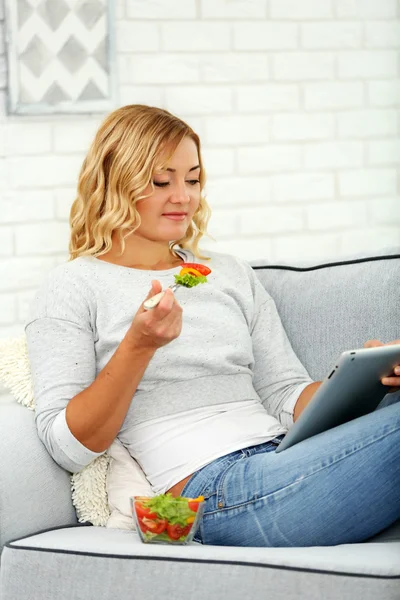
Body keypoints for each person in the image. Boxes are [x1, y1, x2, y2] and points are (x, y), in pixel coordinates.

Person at [25, 104, 400, 548]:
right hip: (214, 491)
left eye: (193, 178)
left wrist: (365, 378)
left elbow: (283, 393)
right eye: (161, 182)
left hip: (284, 455)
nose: (183, 197)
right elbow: (68, 446)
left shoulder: (230, 273)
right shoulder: (74, 285)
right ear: (114, 184)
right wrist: (139, 346)